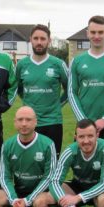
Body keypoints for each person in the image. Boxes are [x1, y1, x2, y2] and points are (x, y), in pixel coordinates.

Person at [68, 15, 104, 197]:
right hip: (85, 123)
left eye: (100, 32)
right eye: (93, 32)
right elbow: (72, 92)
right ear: (87, 33)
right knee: (82, 163)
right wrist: (84, 121)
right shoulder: (78, 61)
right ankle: (82, 204)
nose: (96, 36)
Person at [0, 106, 57, 207]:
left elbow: (49, 177)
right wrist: (13, 199)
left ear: (36, 122)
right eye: (20, 119)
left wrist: (28, 200)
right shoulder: (8, 145)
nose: (24, 123)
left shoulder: (48, 144)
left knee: (40, 204)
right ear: (15, 122)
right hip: (19, 190)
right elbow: (4, 176)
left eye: (28, 119)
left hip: (41, 191)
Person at [16, 24, 68, 154]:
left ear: (49, 41)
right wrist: (28, 102)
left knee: (52, 161)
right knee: (30, 162)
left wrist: (57, 104)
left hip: (52, 121)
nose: (39, 42)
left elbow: (69, 90)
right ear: (31, 40)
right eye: (36, 38)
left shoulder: (58, 64)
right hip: (28, 122)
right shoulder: (22, 64)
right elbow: (19, 88)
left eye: (43, 39)